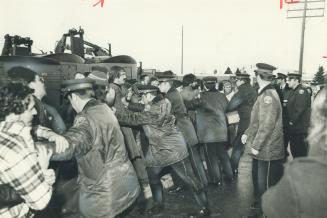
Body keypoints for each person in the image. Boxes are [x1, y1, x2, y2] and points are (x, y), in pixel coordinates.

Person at [51, 78, 140, 218]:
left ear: (73, 96)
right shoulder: (103, 108)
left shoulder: (85, 118)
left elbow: (69, 147)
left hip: (103, 193)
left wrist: (34, 149)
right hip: (124, 183)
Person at [137, 84, 211, 217]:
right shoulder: (161, 102)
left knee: (190, 179)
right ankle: (158, 205)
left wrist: (115, 113)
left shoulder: (155, 109)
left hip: (173, 150)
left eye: (141, 97)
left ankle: (205, 208)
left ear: (148, 96)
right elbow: (141, 109)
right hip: (158, 150)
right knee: (152, 176)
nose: (139, 100)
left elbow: (133, 118)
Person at [262, 85, 327, 218]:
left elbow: (270, 204)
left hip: (297, 129)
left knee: (299, 150)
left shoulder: (300, 175)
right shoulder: (290, 91)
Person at [0, 82, 54, 218]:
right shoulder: (15, 148)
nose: (35, 112)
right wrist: (43, 170)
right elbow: (40, 201)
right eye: (30, 109)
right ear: (16, 111)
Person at [242, 63, 284, 216]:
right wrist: (247, 132)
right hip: (264, 147)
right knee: (262, 186)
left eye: (256, 75)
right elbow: (257, 121)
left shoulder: (268, 96)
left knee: (265, 186)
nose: (255, 78)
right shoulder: (265, 93)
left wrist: (257, 145)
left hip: (268, 148)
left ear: (259, 77)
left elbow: (266, 124)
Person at [157, 71, 208, 189]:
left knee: (193, 160)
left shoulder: (170, 96)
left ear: (165, 83)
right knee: (184, 160)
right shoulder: (173, 92)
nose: (158, 87)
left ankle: (201, 185)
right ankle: (186, 184)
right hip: (185, 129)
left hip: (183, 131)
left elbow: (165, 115)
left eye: (160, 84)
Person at [196, 76, 234, 184]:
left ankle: (216, 179)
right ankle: (230, 175)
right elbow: (228, 108)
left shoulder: (201, 96)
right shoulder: (222, 96)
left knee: (211, 157)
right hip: (221, 130)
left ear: (204, 85)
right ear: (215, 84)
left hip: (208, 133)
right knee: (223, 154)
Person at [226, 73, 257, 175]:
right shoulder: (252, 89)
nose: (236, 83)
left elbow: (231, 106)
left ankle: (232, 168)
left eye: (237, 81)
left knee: (238, 145)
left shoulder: (242, 90)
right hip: (255, 120)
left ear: (242, 81)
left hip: (245, 121)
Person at [286, 72, 311, 158]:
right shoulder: (294, 91)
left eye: (289, 80)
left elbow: (299, 110)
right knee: (295, 152)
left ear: (296, 80)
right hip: (295, 129)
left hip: (300, 129)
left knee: (300, 153)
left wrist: (291, 122)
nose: (287, 82)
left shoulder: (301, 92)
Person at [275, 72, 292, 161]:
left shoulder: (290, 90)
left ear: (282, 80)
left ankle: (284, 153)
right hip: (277, 116)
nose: (277, 80)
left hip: (286, 117)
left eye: (278, 79)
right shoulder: (276, 88)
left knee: (285, 136)